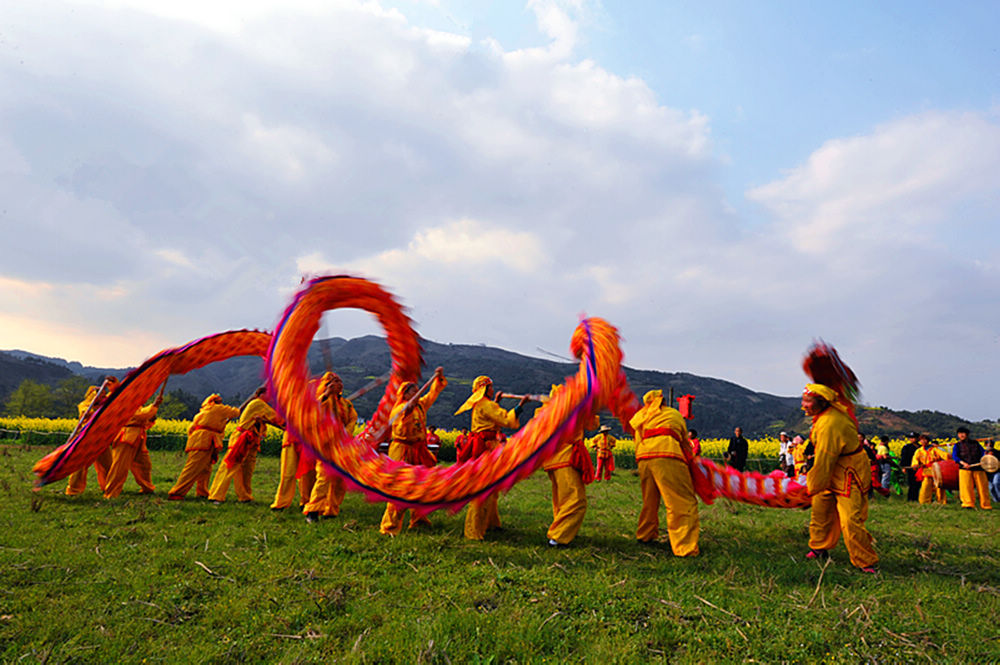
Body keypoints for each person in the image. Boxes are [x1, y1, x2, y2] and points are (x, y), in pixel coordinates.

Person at [801, 384, 878, 572]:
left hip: (846, 471)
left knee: (850, 519)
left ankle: (864, 561)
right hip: (830, 467)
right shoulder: (823, 417)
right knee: (820, 512)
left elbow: (825, 458)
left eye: (807, 401)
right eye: (803, 400)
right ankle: (819, 547)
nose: (803, 405)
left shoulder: (830, 424)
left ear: (821, 403)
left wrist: (810, 487)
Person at [455, 375, 527, 540]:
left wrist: (496, 401)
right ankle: (474, 531)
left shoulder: (482, 404)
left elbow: (491, 417)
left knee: (492, 489)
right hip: (485, 449)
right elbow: (506, 420)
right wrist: (520, 407)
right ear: (484, 389)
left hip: (488, 447)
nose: (493, 389)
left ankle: (491, 523)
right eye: (491, 387)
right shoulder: (485, 404)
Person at [630, 389, 699, 556]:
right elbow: (684, 441)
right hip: (668, 455)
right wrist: (691, 462)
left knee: (650, 499)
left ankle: (645, 534)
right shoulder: (673, 414)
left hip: (644, 458)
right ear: (663, 402)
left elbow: (637, 440)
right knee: (681, 501)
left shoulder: (641, 415)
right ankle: (685, 547)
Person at [379, 368, 447, 535]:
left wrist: (437, 379)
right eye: (414, 392)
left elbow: (431, 395)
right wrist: (409, 405)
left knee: (421, 484)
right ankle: (390, 526)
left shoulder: (420, 406)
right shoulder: (399, 409)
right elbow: (404, 418)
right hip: (402, 450)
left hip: (418, 449)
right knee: (400, 488)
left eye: (418, 391)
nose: (418, 394)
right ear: (406, 394)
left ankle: (418, 519)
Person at [541, 386, 597, 547]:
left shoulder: (546, 412)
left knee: (561, 499)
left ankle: (561, 531)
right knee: (576, 499)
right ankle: (558, 536)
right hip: (565, 457)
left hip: (552, 459)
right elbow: (592, 424)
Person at [208, 387, 283, 504]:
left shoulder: (260, 404)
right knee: (231, 466)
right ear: (261, 394)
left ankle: (245, 496)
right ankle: (216, 495)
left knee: (246, 470)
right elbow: (276, 418)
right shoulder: (258, 403)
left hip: (252, 441)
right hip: (242, 439)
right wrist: (289, 426)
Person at [302, 372, 359, 522]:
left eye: (339, 381)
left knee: (340, 479)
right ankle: (313, 511)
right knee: (324, 476)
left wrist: (346, 432)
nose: (338, 383)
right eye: (333, 381)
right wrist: (326, 394)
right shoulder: (321, 401)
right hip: (326, 445)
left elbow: (353, 419)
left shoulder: (346, 404)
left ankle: (331, 509)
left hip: (342, 445)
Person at [168, 394, 240, 500]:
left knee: (205, 469)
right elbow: (235, 412)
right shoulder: (218, 409)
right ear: (216, 401)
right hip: (204, 441)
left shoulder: (204, 411)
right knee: (193, 468)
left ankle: (202, 491)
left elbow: (191, 429)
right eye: (219, 400)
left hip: (198, 440)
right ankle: (177, 492)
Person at [64, 376, 118, 496]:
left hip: (101, 438)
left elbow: (116, 394)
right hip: (86, 439)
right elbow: (85, 414)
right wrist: (92, 412)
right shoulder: (84, 405)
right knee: (80, 466)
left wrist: (113, 384)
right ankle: (74, 490)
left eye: (104, 394)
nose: (104, 396)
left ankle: (108, 487)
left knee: (108, 464)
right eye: (101, 394)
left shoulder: (105, 404)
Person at [103, 393, 162, 498]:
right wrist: (154, 405)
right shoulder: (125, 405)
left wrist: (151, 416)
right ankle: (111, 492)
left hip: (139, 438)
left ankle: (147, 488)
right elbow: (141, 415)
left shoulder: (137, 407)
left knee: (144, 464)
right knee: (120, 467)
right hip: (126, 438)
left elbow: (144, 420)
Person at [951, 427, 992, 510]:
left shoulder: (975, 443)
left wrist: (986, 456)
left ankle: (985, 505)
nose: (961, 435)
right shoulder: (957, 445)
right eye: (959, 433)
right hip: (964, 469)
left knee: (982, 487)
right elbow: (955, 457)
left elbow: (983, 453)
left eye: (963, 433)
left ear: (967, 434)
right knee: (966, 487)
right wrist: (963, 463)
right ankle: (968, 503)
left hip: (978, 468)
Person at [912, 434, 947, 505]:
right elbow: (915, 459)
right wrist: (915, 465)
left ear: (928, 441)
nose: (923, 441)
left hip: (936, 470)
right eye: (921, 440)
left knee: (939, 486)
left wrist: (947, 456)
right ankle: (924, 502)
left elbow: (944, 455)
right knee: (925, 487)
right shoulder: (919, 451)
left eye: (925, 439)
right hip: (926, 470)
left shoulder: (934, 449)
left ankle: (941, 502)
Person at [899, 432, 920, 502]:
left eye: (913, 438)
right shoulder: (907, 447)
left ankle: (917, 498)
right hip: (910, 467)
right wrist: (903, 467)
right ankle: (911, 498)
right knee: (912, 483)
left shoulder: (921, 447)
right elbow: (903, 457)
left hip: (920, 467)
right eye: (911, 438)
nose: (912, 439)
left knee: (918, 484)